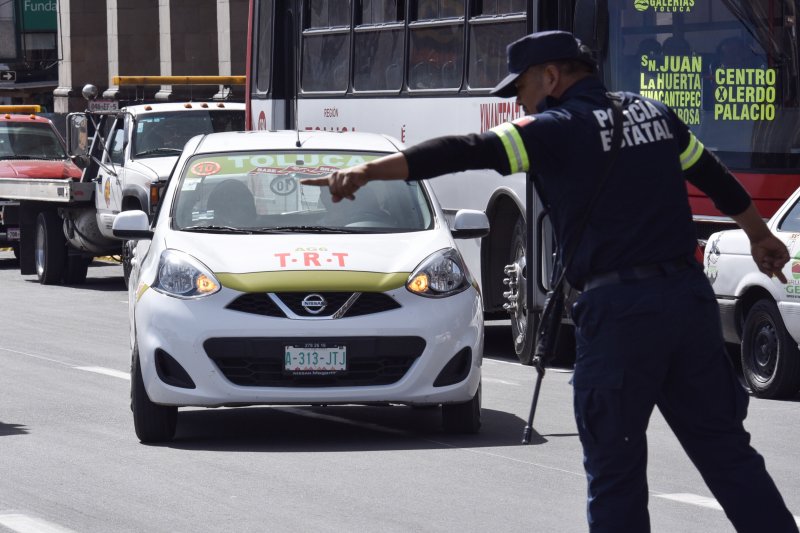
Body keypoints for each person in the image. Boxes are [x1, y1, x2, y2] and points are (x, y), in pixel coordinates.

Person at [301, 30, 799, 533]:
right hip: (688, 305)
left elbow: (463, 150)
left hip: (621, 315)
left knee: (615, 473)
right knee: (728, 456)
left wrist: (367, 172)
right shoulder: (653, 113)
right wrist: (760, 236)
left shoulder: (556, 128)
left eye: (520, 89)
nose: (516, 101)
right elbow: (711, 174)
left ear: (552, 77)